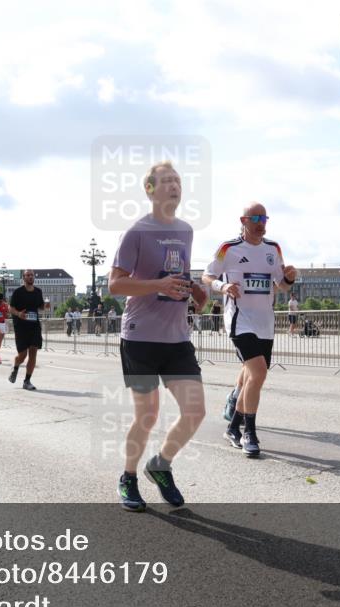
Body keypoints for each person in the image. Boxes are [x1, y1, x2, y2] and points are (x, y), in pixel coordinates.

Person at [109, 161, 208, 511]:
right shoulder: (136, 232)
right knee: (147, 415)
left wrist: (194, 289)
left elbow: (175, 274)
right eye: (166, 180)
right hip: (140, 336)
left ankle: (161, 464)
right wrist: (158, 285)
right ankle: (128, 477)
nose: (174, 185)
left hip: (177, 336)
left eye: (178, 180)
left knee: (195, 411)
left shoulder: (186, 230)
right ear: (150, 189)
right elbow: (115, 284)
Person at [204, 202, 297, 458]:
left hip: (265, 322)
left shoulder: (273, 248)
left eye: (264, 218)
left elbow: (281, 285)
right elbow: (207, 276)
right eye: (255, 218)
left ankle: (233, 427)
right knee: (258, 373)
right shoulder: (228, 249)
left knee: (252, 375)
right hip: (239, 319)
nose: (261, 223)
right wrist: (222, 288)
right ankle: (249, 433)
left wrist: (290, 276)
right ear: (243, 221)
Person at [8, 270, 47, 389]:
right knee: (23, 355)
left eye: (32, 275)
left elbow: (40, 306)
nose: (30, 277)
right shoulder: (18, 292)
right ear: (24, 278)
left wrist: (45, 306)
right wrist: (18, 314)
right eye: (28, 275)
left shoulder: (38, 292)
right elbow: (10, 308)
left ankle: (27, 381)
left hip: (34, 326)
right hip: (21, 326)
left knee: (33, 352)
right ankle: (15, 366)